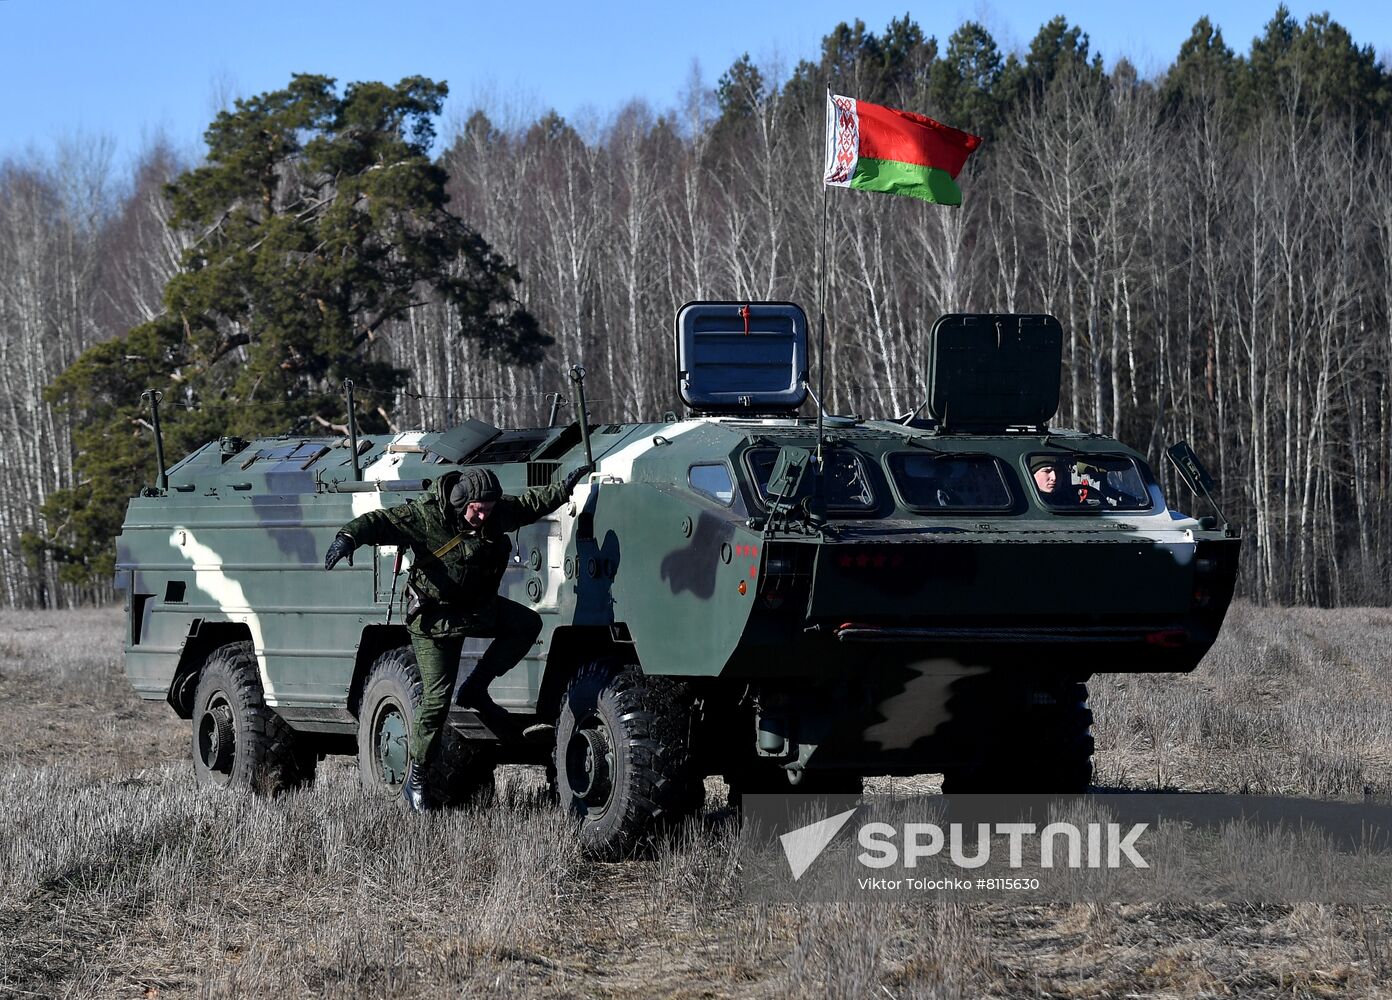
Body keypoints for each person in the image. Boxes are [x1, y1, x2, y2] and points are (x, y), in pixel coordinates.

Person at [324, 463, 590, 810]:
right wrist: (347, 537)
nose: (482, 516)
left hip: (476, 610)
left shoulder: (493, 514)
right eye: (477, 509)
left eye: (488, 510)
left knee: (526, 625)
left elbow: (527, 505)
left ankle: (476, 687)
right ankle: (416, 779)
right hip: (435, 622)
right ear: (461, 500)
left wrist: (564, 487)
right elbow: (380, 522)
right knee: (436, 700)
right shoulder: (425, 517)